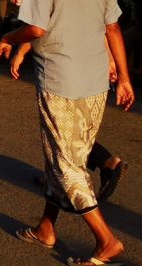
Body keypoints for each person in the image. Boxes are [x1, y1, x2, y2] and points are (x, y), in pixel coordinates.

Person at [0, 0, 134, 266]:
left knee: (67, 164)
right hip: (96, 83)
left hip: (61, 82)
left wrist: (9, 37)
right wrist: (126, 79)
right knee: (65, 154)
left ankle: (106, 241)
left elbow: (36, 28)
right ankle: (46, 227)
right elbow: (113, 29)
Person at [11, 40, 129, 203]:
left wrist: (17, 48)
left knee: (59, 127)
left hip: (65, 64)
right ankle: (56, 174)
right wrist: (110, 60)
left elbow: (37, 27)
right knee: (74, 124)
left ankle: (102, 164)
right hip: (92, 64)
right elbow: (105, 27)